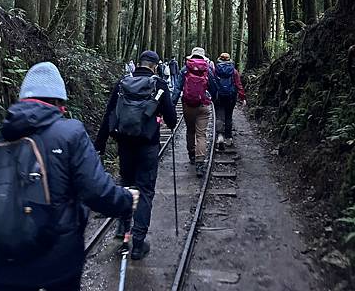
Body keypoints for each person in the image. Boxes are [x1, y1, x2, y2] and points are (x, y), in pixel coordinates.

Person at [0, 62, 138, 291]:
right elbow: (96, 191)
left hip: (4, 262)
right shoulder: (70, 133)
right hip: (56, 261)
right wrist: (125, 200)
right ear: (58, 101)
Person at [95, 50, 177, 260]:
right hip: (148, 147)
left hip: (125, 146)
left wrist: (101, 143)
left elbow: (109, 113)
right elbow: (171, 118)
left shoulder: (123, 83)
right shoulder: (158, 84)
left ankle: (122, 231)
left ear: (139, 64)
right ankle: (138, 244)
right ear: (155, 66)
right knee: (145, 191)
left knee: (126, 185)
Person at [172, 47, 216, 178]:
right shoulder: (207, 69)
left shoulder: (185, 69)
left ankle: (192, 155)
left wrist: (171, 105)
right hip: (203, 105)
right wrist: (212, 98)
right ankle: (200, 163)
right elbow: (214, 87)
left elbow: (177, 89)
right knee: (201, 134)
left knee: (190, 130)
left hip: (188, 105)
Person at [213, 52, 245, 149]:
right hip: (231, 97)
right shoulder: (234, 71)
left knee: (219, 116)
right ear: (229, 60)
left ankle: (220, 136)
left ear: (220, 59)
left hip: (219, 96)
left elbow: (212, 83)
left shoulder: (215, 70)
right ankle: (228, 138)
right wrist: (242, 97)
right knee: (228, 116)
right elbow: (238, 84)